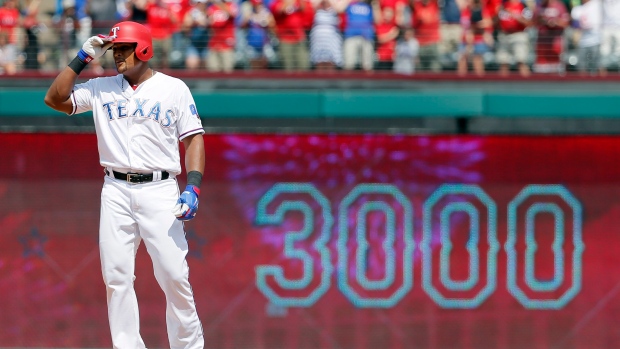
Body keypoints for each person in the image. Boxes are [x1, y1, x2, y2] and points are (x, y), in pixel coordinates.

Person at [43, 21, 205, 349]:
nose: (118, 55)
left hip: (160, 189)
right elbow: (54, 99)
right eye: (115, 49)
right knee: (116, 278)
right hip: (115, 189)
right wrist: (82, 57)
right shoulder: (101, 88)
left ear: (143, 49)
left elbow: (194, 140)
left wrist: (194, 186)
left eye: (124, 48)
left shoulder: (173, 89)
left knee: (174, 276)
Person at [495, 0, 532, 76]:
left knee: (520, 61)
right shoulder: (503, 5)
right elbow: (497, 21)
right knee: (503, 63)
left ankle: (527, 84)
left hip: (518, 35)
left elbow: (528, 23)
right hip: (504, 36)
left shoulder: (523, 5)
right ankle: (502, 86)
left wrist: (514, 15)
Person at [457, 0, 493, 76]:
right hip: (465, 40)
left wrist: (478, 25)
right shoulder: (465, 10)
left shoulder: (483, 10)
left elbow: (488, 22)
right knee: (463, 59)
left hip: (478, 39)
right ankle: (460, 83)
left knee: (477, 60)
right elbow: (465, 24)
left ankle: (480, 82)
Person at [309, 0, 343, 70]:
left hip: (332, 39)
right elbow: (311, 7)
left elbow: (339, 10)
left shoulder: (335, 9)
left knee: (331, 62)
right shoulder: (317, 9)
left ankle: (331, 80)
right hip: (318, 39)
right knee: (319, 61)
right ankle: (319, 80)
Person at [571, 0, 602, 75]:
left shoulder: (597, 3)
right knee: (581, 67)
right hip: (582, 42)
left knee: (598, 66)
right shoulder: (577, 9)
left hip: (596, 41)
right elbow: (574, 25)